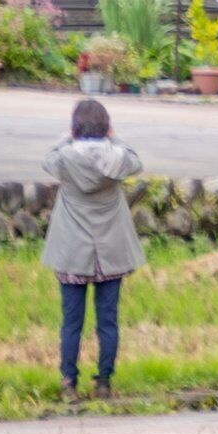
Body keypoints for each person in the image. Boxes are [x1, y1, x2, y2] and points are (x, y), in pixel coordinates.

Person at [42, 97, 145, 402]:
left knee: (71, 321)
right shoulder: (118, 158)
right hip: (111, 251)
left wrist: (66, 137)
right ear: (106, 126)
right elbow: (135, 159)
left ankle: (68, 383)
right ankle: (103, 383)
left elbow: (47, 158)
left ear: (76, 127)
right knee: (108, 320)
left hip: (72, 250)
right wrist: (114, 137)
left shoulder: (64, 158)